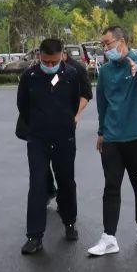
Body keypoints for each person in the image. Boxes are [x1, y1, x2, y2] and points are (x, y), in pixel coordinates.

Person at [17, 37, 90, 255]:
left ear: (61, 56)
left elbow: (82, 97)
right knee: (38, 184)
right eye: (46, 61)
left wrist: (73, 117)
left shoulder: (72, 74)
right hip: (37, 138)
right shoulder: (29, 77)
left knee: (66, 181)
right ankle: (34, 236)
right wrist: (38, 125)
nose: (49, 66)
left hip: (64, 137)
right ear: (39, 56)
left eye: (54, 62)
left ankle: (69, 222)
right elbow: (23, 105)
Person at [88, 26, 137, 256]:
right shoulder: (105, 71)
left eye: (108, 43)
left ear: (121, 41)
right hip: (112, 138)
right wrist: (101, 132)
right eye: (103, 45)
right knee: (111, 186)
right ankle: (109, 237)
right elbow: (102, 104)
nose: (106, 48)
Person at [46, 47, 93, 205]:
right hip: (47, 122)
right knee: (42, 160)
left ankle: (64, 200)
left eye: (54, 59)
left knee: (63, 164)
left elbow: (87, 94)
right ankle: (48, 189)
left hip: (67, 122)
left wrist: (76, 113)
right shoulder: (50, 70)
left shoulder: (77, 70)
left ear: (63, 55)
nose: (50, 63)